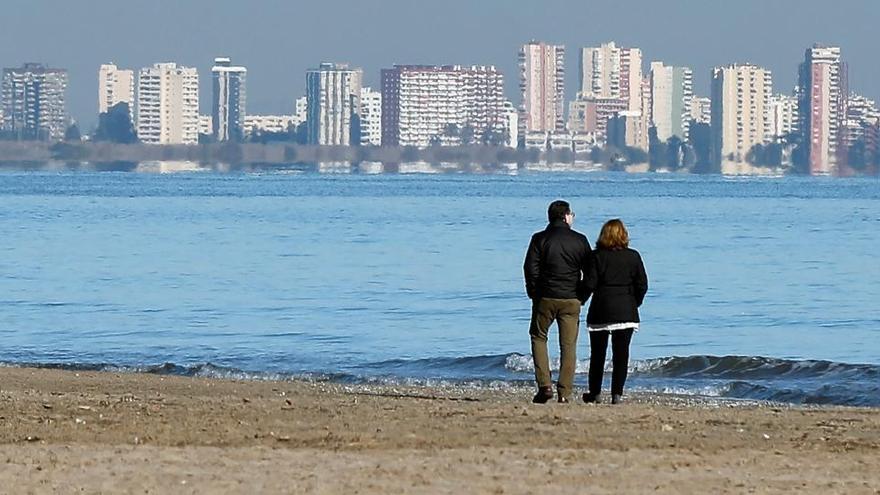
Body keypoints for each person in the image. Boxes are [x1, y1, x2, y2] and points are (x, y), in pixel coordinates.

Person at [523, 200, 592, 404]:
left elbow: (530, 268)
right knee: (568, 345)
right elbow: (590, 273)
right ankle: (565, 392)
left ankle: (544, 385)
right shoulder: (579, 240)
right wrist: (582, 295)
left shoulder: (539, 238)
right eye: (571, 214)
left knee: (538, 337)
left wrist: (534, 292)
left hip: (545, 296)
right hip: (571, 298)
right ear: (566, 216)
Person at [581, 219, 648, 405]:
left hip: (601, 309)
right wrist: (635, 303)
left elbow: (589, 284)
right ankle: (616, 394)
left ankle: (594, 393)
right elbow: (642, 284)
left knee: (597, 354)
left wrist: (580, 299)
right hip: (626, 310)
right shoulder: (633, 256)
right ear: (624, 235)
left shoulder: (596, 257)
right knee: (621, 354)